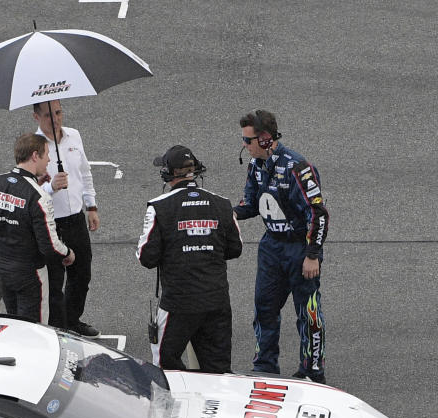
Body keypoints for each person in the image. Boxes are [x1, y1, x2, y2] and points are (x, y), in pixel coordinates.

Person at [234, 109, 329, 383]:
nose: (245, 144)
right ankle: (265, 366)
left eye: (248, 139)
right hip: (271, 247)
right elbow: (251, 203)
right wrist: (231, 213)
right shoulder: (255, 166)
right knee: (264, 308)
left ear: (265, 139)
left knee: (308, 312)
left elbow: (318, 213)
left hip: (299, 248)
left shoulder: (298, 168)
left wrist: (313, 255)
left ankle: (312, 371)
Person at [137, 145, 243, 372]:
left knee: (166, 368)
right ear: (196, 170)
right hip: (216, 300)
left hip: (178, 304)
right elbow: (235, 248)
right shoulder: (222, 204)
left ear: (168, 173)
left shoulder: (158, 207)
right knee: (218, 371)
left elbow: (146, 257)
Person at [0, 133, 74, 322]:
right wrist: (68, 253)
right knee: (35, 330)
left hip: (1, 267)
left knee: (13, 323)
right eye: (46, 154)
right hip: (29, 274)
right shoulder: (39, 196)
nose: (49, 160)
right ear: (34, 156)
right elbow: (49, 245)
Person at [33, 100, 100, 337]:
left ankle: (72, 320)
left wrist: (91, 205)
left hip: (76, 219)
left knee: (82, 274)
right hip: (50, 222)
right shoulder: (35, 146)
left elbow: (84, 171)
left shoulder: (74, 136)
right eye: (49, 115)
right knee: (54, 280)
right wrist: (51, 187)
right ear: (36, 117)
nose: (56, 119)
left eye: (59, 113)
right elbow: (29, 190)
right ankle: (58, 327)